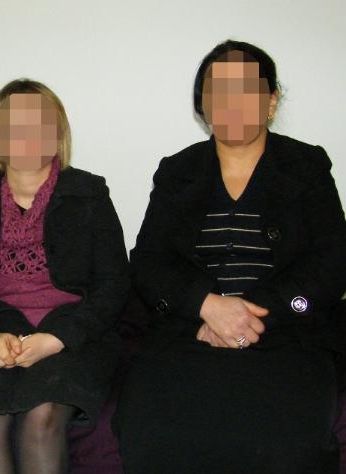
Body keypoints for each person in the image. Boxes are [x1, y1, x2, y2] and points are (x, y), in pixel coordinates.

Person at [114, 39, 346, 473]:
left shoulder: (307, 166)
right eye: (217, 90)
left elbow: (332, 263)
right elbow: (148, 261)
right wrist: (206, 306)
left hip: (286, 335)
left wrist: (251, 314)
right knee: (148, 436)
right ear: (202, 104)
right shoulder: (177, 171)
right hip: (190, 332)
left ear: (271, 100)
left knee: (290, 447)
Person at [0, 78, 129, 474]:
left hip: (74, 332)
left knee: (41, 417)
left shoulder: (90, 195)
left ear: (57, 133)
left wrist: (59, 338)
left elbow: (114, 285)